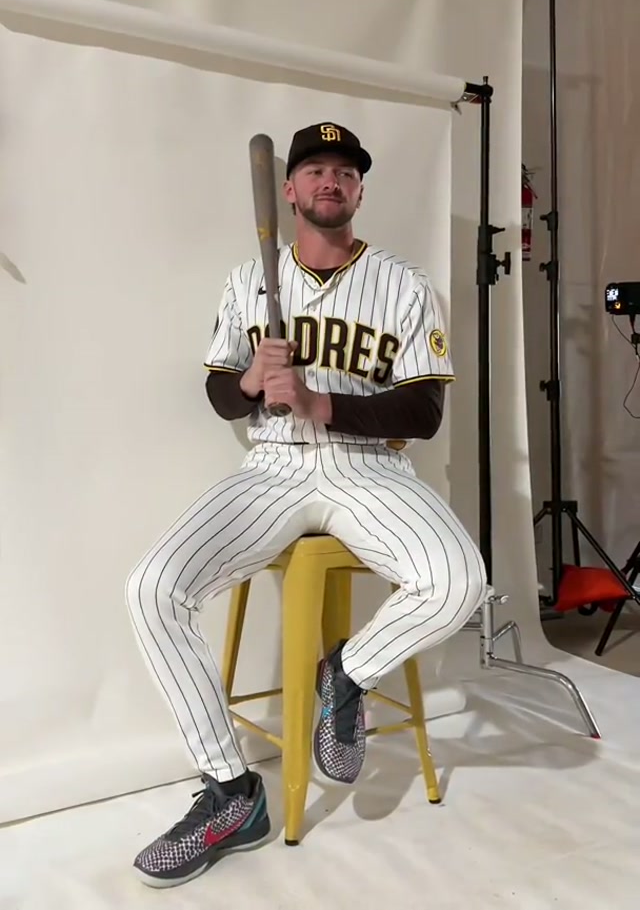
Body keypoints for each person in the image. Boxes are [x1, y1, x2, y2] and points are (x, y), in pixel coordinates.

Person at [125, 121, 486, 889]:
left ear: (359, 191)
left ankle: (346, 674)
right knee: (153, 586)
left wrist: (325, 403)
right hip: (276, 467)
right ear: (288, 189)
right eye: (315, 169)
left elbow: (423, 413)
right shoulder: (246, 280)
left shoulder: (404, 284)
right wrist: (254, 380)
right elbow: (220, 390)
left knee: (460, 580)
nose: (331, 181)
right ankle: (231, 792)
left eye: (345, 172)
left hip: (370, 469)